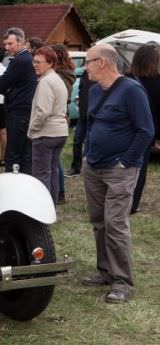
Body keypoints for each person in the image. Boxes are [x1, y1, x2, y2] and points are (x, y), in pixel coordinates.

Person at [81, 43, 154, 303]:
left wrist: (126, 162)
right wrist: (87, 154)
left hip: (118, 170)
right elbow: (91, 124)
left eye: (87, 61)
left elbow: (146, 130)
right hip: (94, 167)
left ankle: (122, 281)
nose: (84, 67)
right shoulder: (94, 90)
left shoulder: (132, 90)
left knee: (115, 224)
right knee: (99, 222)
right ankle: (105, 271)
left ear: (102, 62)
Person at [27, 46, 68, 204]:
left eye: (38, 62)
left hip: (46, 133)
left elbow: (42, 111)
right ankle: (51, 204)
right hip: (59, 132)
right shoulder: (57, 79)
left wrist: (32, 130)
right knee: (52, 171)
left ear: (50, 63)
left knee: (42, 174)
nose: (34, 65)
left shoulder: (46, 82)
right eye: (34, 62)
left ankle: (43, 208)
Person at [0, 27, 37, 174]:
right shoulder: (25, 58)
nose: (7, 48)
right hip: (23, 110)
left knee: (14, 153)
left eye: (10, 44)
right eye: (5, 44)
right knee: (24, 151)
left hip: (19, 112)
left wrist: (8, 88)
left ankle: (15, 185)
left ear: (21, 42)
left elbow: (0, 85)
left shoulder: (21, 60)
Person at [126, 44, 160, 214]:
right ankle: (133, 203)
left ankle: (121, 199)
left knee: (123, 166)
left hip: (125, 129)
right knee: (141, 167)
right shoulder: (158, 81)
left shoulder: (125, 78)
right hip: (147, 130)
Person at [51, 44, 76, 204]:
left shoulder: (59, 76)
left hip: (58, 115)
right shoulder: (67, 74)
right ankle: (59, 192)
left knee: (55, 158)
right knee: (55, 157)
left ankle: (59, 192)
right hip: (63, 115)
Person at [66, 70, 94, 177]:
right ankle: (76, 167)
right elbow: (81, 91)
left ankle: (88, 168)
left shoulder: (99, 77)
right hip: (82, 115)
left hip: (93, 116)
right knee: (77, 141)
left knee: (90, 142)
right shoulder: (85, 74)